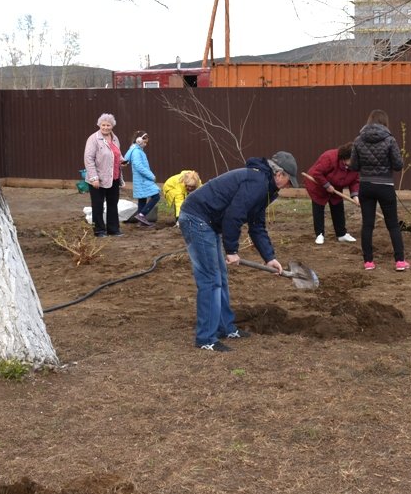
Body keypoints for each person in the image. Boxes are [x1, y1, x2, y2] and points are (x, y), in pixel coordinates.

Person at [178, 152, 298, 352]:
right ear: (279, 174)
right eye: (288, 181)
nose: (288, 186)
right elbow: (234, 216)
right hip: (196, 218)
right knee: (211, 279)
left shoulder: (264, 187)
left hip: (208, 222)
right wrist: (232, 250)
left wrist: (269, 258)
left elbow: (257, 225)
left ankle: (225, 327)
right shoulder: (257, 182)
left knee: (220, 277)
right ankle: (206, 338)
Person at [349, 109, 408, 271]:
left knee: (367, 225)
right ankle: (400, 261)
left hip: (366, 186)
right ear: (385, 122)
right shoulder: (390, 140)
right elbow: (398, 165)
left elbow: (353, 166)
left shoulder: (358, 140)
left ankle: (368, 262)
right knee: (393, 225)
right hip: (385, 186)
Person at [305, 143, 359, 245]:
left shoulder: (355, 166)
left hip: (336, 187)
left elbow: (354, 181)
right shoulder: (330, 157)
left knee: (338, 207)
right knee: (318, 208)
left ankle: (341, 234)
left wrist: (355, 195)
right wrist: (326, 185)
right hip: (318, 185)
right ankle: (319, 234)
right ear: (346, 157)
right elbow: (317, 173)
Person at [83, 113, 125, 237]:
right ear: (99, 125)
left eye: (108, 125)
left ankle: (113, 229)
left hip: (114, 177)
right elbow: (88, 159)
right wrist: (94, 177)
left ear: (112, 126)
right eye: (103, 125)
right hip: (98, 178)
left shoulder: (115, 138)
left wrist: (122, 161)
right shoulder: (93, 139)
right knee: (98, 205)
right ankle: (99, 230)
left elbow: (117, 154)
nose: (106, 127)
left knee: (113, 203)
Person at [123, 130, 161, 228]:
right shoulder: (137, 152)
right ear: (139, 140)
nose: (146, 143)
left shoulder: (137, 150)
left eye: (147, 141)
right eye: (144, 140)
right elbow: (139, 166)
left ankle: (141, 222)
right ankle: (142, 215)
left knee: (142, 199)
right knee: (156, 196)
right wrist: (151, 176)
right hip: (143, 179)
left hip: (140, 179)